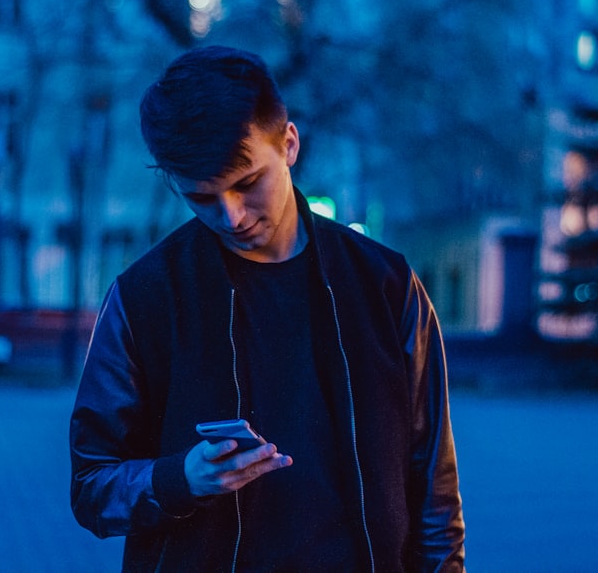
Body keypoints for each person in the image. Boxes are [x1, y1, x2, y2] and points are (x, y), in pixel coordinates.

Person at [70, 45, 465, 572]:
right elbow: (91, 485)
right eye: (203, 198)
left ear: (289, 143)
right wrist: (179, 479)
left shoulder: (385, 284)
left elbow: (434, 490)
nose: (231, 216)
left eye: (247, 183)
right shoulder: (146, 296)